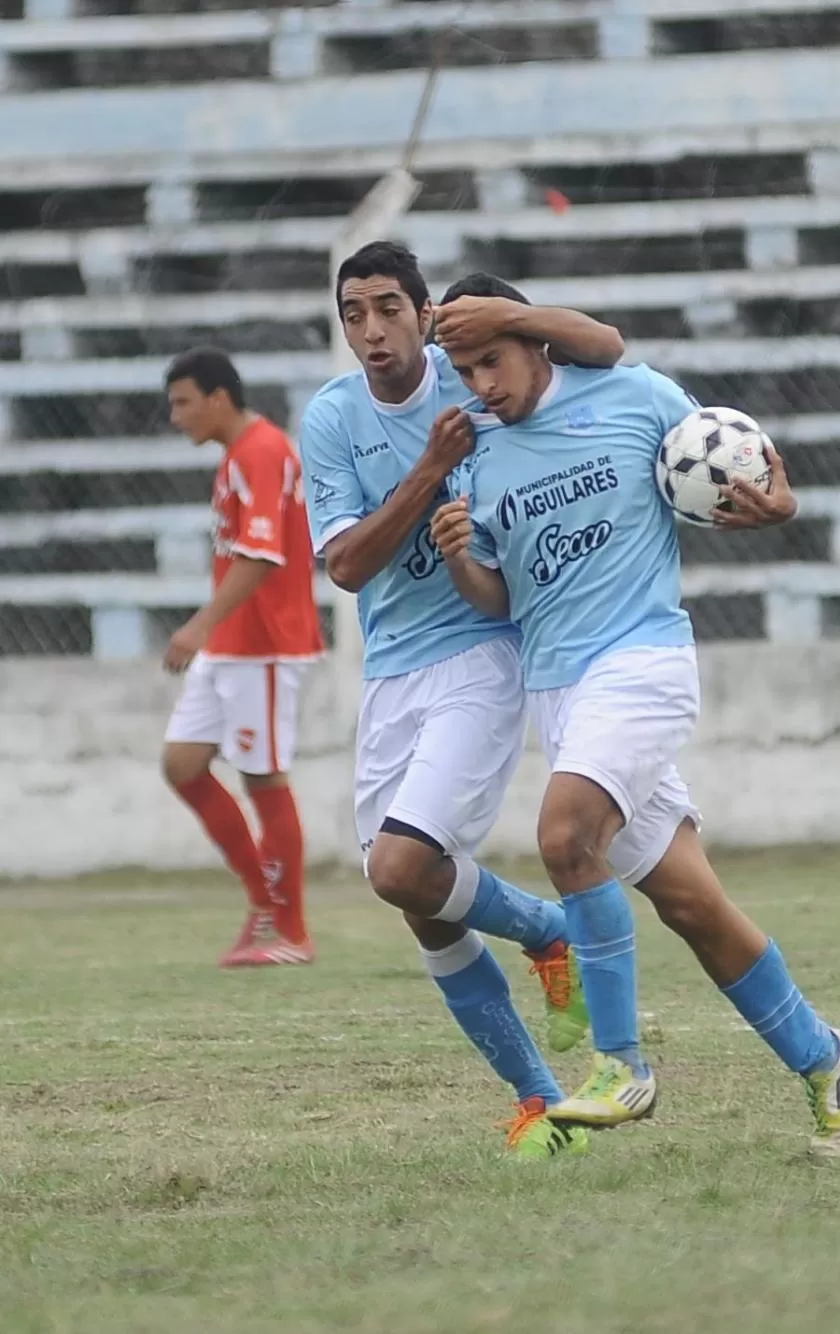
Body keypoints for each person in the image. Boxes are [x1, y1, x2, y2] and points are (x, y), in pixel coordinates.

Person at [430, 272, 840, 1161]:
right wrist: (457, 562)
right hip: (562, 694)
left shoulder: (632, 396)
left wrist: (777, 508)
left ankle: (620, 1066)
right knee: (692, 904)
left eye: (491, 359)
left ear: (531, 337)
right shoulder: (478, 456)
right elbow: (498, 599)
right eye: (465, 371)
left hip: (642, 665)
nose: (481, 385)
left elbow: (728, 468)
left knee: (562, 838)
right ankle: (827, 1059)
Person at [299, 241, 625, 1158]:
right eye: (353, 314)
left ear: (424, 312)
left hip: (482, 654)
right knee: (420, 905)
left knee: (401, 868)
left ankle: (549, 933)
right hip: (391, 670)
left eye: (389, 309)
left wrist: (513, 326)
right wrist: (427, 473)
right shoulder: (330, 418)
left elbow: (600, 348)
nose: (372, 331)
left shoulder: (475, 376)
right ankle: (540, 1101)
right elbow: (348, 565)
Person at [163, 347, 323, 967]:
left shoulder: (261, 451)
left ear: (218, 397)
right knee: (182, 764)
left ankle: (291, 930)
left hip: (265, 644)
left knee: (262, 777)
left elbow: (260, 557)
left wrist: (198, 627)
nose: (175, 416)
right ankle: (264, 904)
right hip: (233, 644)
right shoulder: (239, 454)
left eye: (182, 402)